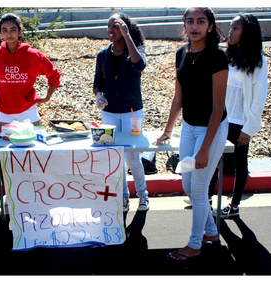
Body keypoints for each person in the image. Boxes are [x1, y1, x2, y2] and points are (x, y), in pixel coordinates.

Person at [157, 7, 228, 261]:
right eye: (190, 22)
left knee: (198, 190)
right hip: (188, 126)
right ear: (184, 25)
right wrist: (167, 130)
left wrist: (206, 148)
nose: (194, 26)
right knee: (187, 184)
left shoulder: (217, 57)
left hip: (213, 127)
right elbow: (179, 96)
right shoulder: (181, 54)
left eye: (200, 21)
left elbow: (218, 107)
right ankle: (210, 231)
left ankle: (195, 244)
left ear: (210, 25)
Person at [204, 14, 268, 219]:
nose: (230, 32)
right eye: (231, 28)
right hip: (222, 118)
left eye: (236, 29)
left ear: (247, 32)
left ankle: (234, 205)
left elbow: (259, 98)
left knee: (240, 164)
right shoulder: (228, 56)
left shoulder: (257, 60)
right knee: (214, 160)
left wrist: (249, 129)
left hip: (240, 123)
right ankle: (206, 201)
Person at [93, 12, 150, 212]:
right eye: (109, 25)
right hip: (109, 113)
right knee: (115, 155)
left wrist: (127, 36)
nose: (111, 29)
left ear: (125, 27)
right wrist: (99, 96)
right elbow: (97, 83)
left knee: (132, 157)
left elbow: (139, 65)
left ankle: (143, 195)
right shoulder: (102, 55)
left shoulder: (135, 50)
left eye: (116, 25)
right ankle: (124, 195)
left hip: (132, 112)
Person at [0, 13, 62, 132]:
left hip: (28, 110)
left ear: (20, 31)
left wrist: (48, 96)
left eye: (13, 30)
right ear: (1, 33)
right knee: (3, 146)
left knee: (37, 144)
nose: (9, 34)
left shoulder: (33, 55)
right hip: (4, 111)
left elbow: (54, 74)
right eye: (5, 30)